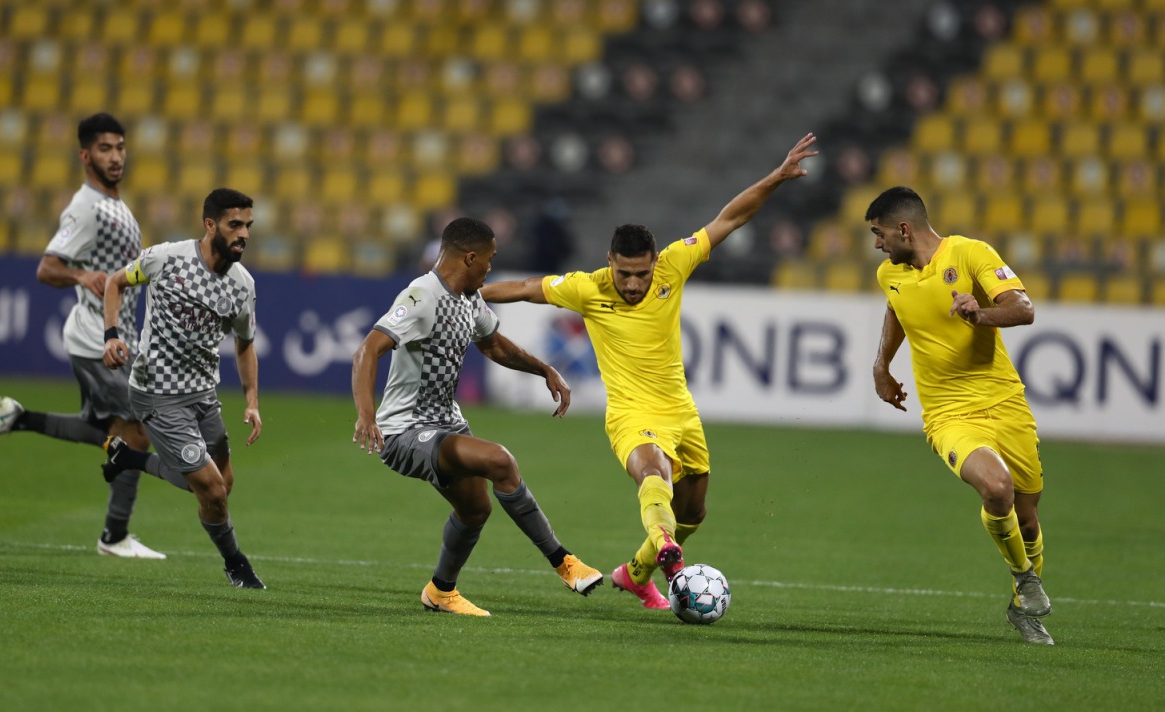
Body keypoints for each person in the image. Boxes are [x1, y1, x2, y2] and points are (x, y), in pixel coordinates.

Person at [481, 134, 820, 610]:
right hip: (629, 414)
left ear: (655, 262)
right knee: (653, 473)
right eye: (625, 274)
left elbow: (732, 218)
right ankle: (665, 552)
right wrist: (462, 292)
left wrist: (777, 177)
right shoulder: (586, 288)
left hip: (681, 410)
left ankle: (636, 574)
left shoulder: (673, 268)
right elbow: (521, 287)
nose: (634, 284)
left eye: (642, 274)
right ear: (609, 263)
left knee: (695, 511)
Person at [352, 216, 603, 617]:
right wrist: (366, 414)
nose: (491, 267)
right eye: (489, 259)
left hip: (446, 424)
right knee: (499, 460)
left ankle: (440, 592)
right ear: (470, 257)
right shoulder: (421, 296)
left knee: (475, 510)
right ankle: (564, 562)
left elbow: (495, 346)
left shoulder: (469, 298)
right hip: (404, 431)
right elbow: (368, 349)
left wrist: (544, 370)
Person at [0, 113, 164, 559]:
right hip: (97, 341)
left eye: (119, 147)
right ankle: (114, 536)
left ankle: (17, 418)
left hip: (112, 337)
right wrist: (82, 274)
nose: (115, 157)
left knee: (101, 428)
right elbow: (47, 267)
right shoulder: (87, 207)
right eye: (104, 149)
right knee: (136, 431)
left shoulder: (114, 204)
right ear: (85, 155)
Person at [866, 186, 1053, 645]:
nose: (877, 244)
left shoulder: (971, 254)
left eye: (879, 233)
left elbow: (1023, 310)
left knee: (1026, 519)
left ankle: (1022, 607)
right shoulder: (888, 273)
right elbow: (897, 308)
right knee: (996, 487)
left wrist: (980, 313)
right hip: (948, 414)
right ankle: (1026, 580)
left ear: (904, 228)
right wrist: (881, 365)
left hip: (1006, 403)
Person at [101, 188, 265, 589]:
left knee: (222, 485)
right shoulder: (166, 259)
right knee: (211, 489)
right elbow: (114, 283)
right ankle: (236, 564)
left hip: (203, 395)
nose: (243, 233)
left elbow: (244, 344)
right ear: (210, 225)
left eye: (248, 225)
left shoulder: (243, 285)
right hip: (157, 393)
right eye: (235, 225)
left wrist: (252, 401)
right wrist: (111, 335)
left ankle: (130, 459)